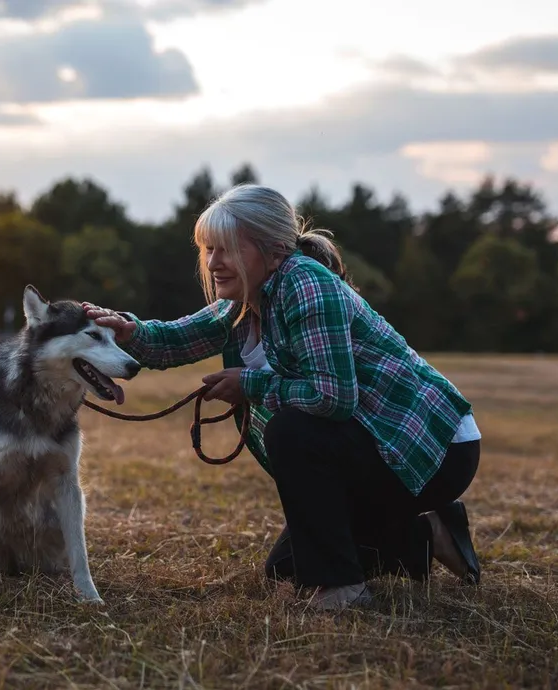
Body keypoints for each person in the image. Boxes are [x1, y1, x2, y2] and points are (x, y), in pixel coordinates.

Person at [82, 183, 482, 611]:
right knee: (287, 569)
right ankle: (429, 533)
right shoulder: (244, 300)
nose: (214, 263)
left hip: (430, 448)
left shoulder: (306, 284)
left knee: (293, 430)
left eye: (227, 249)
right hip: (373, 448)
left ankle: (345, 590)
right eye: (209, 250)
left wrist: (250, 384)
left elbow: (333, 397)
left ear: (272, 252)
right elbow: (176, 339)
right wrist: (129, 330)